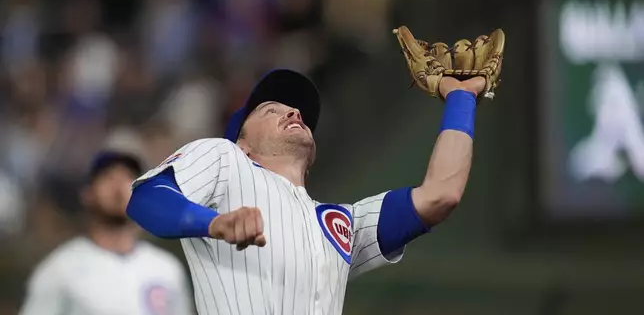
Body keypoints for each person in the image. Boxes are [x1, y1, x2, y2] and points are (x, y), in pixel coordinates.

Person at [126, 68, 483, 315]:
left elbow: (441, 194)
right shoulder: (226, 159)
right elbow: (146, 198)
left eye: (297, 112)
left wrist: (461, 99)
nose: (293, 112)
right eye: (271, 109)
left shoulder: (340, 223)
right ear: (244, 142)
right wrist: (213, 223)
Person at [19, 151, 193, 315]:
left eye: (127, 178)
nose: (118, 187)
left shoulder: (166, 268)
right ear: (87, 194)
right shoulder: (60, 270)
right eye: (108, 178)